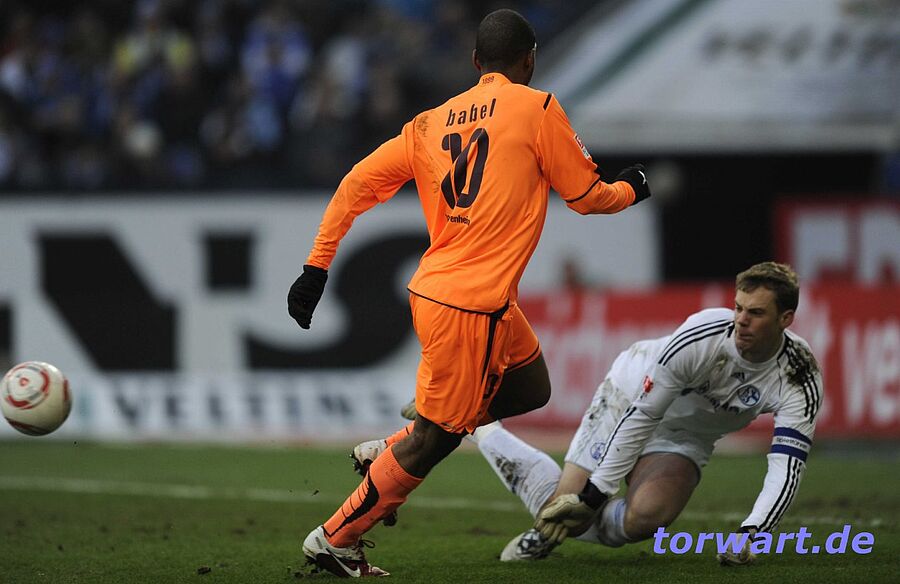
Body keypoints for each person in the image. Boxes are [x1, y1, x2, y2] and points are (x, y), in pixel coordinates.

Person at [287, 9, 651, 578]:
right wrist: (634, 186)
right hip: (470, 304)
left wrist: (316, 266)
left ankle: (392, 448)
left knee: (530, 386)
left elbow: (356, 184)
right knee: (435, 442)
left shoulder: (429, 123)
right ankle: (335, 538)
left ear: (476, 61)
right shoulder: (537, 108)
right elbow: (588, 198)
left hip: (460, 296)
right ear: (530, 59)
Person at [468, 262, 822, 566]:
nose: (741, 321)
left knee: (647, 518)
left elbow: (787, 466)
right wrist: (593, 497)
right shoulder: (702, 337)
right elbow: (643, 415)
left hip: (687, 436)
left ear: (785, 319)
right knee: (570, 512)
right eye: (738, 308)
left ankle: (569, 523)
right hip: (630, 396)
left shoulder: (798, 376)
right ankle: (481, 425)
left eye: (756, 313)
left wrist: (754, 532)